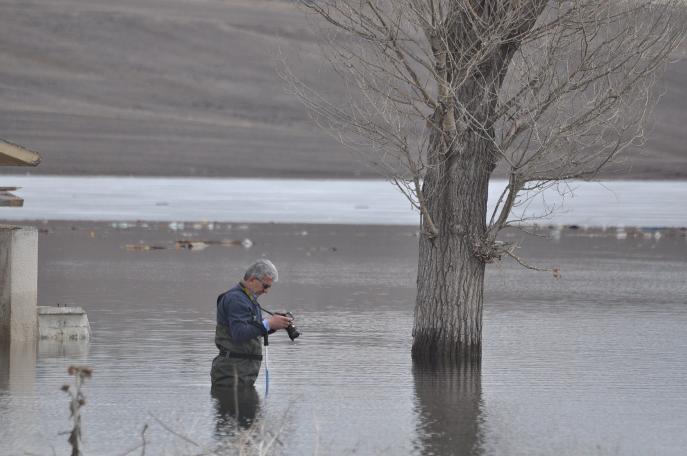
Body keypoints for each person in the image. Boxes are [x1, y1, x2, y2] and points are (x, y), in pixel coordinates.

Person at [210, 259, 292, 389]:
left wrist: (275, 325)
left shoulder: (247, 299)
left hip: (241, 373)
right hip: (232, 375)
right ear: (253, 279)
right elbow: (239, 333)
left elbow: (251, 331)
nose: (266, 291)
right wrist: (268, 324)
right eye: (265, 286)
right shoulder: (236, 299)